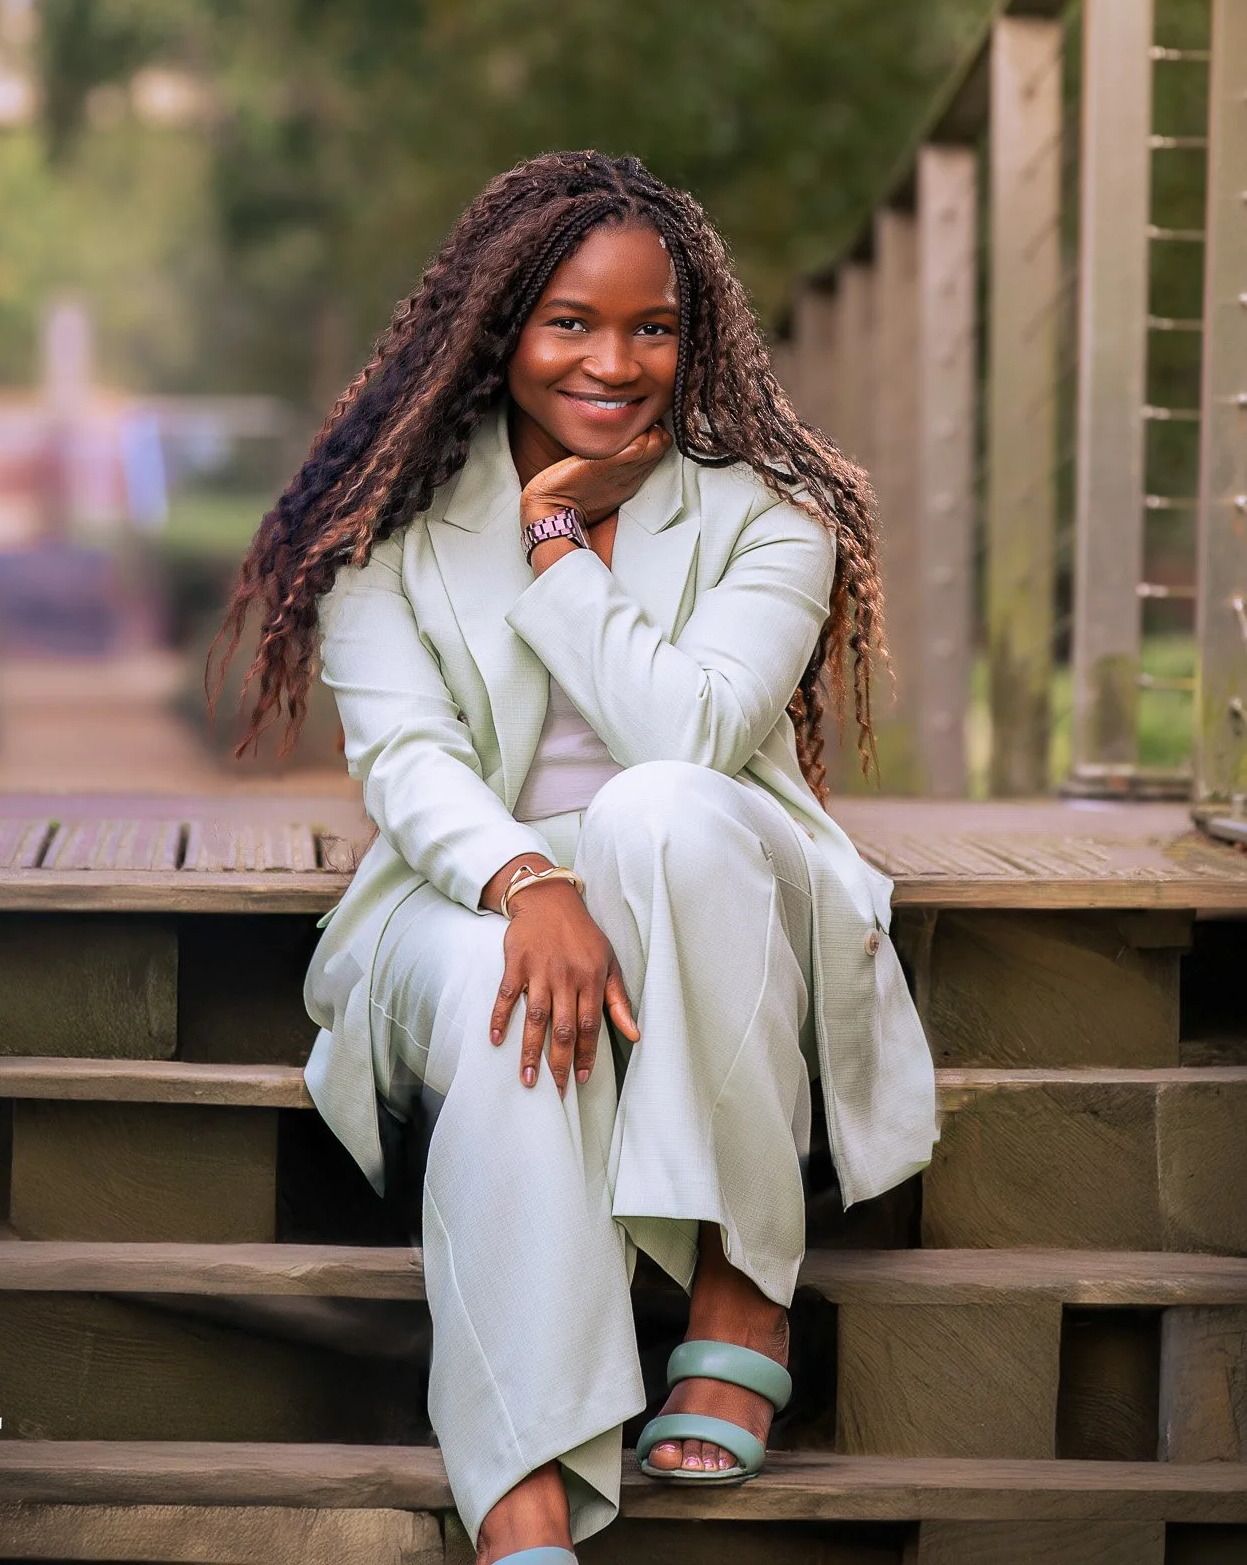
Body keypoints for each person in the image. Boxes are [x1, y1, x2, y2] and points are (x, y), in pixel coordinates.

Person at [216, 149, 938, 1564]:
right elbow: (408, 762)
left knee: (654, 808)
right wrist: (524, 885)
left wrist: (558, 544)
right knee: (505, 1003)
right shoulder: (395, 528)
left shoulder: (771, 514)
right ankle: (523, 1499)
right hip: (464, 882)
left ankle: (743, 1286)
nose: (616, 362)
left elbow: (696, 731)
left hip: (707, 870)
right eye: (570, 323)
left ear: (694, 334)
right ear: (501, 333)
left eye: (651, 328)